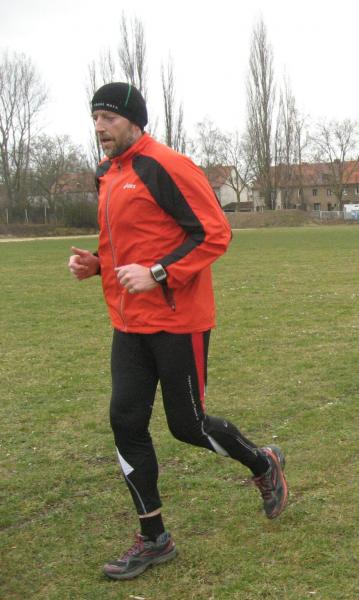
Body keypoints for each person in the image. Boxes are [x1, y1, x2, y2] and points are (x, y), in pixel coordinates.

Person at [68, 82, 288, 580]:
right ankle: (154, 539)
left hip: (177, 320)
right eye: (95, 118)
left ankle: (262, 463)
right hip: (129, 323)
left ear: (134, 120)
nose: (99, 127)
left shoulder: (167, 165)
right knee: (125, 423)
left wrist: (159, 273)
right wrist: (99, 264)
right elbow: (132, 243)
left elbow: (214, 234)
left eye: (109, 118)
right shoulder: (107, 173)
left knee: (187, 425)